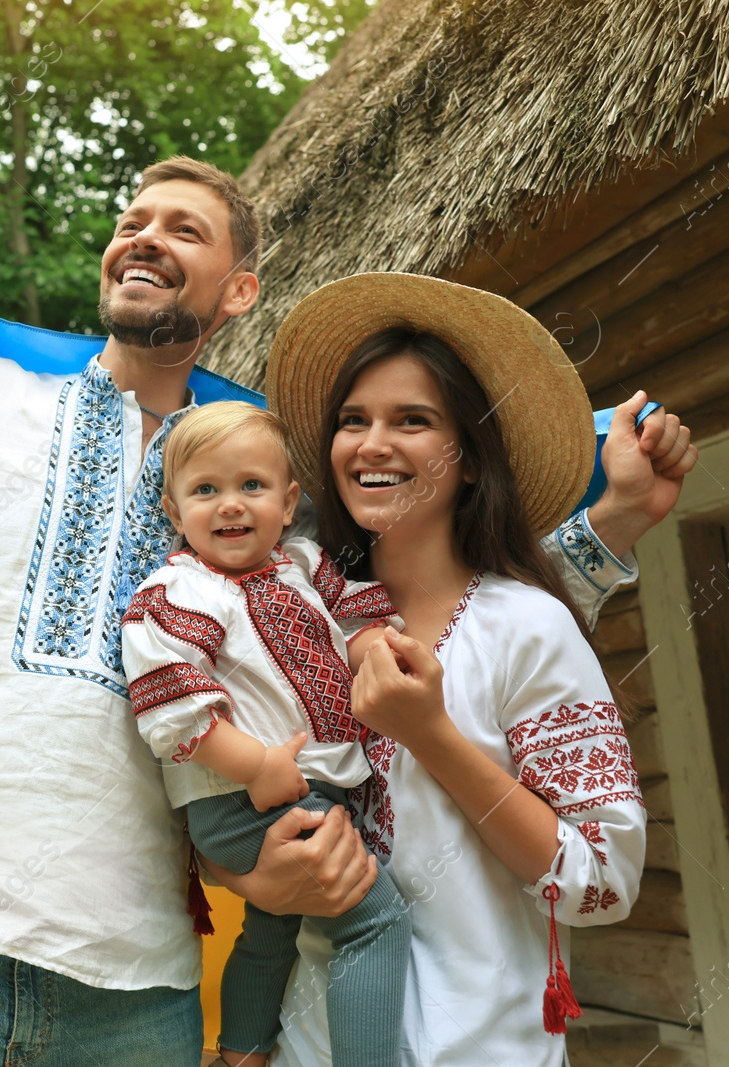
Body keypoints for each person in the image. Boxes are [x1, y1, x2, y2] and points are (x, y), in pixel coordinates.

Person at [0, 101, 697, 1065]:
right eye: (130, 221)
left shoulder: (275, 482)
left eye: (184, 227)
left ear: (237, 286)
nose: (143, 237)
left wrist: (605, 529)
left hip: (139, 993)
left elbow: (431, 624)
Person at [263, 273, 666, 1066]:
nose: (373, 443)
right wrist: (263, 875)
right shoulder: (295, 619)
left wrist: (432, 735)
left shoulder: (528, 627)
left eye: (412, 420)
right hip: (309, 1045)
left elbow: (601, 883)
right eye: (354, 420)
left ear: (472, 461)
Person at [121, 401, 410, 1067]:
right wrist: (254, 766)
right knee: (374, 920)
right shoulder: (180, 593)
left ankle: (242, 1051)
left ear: (287, 502)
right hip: (241, 790)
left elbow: (357, 613)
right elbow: (173, 704)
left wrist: (374, 651)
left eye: (251, 486)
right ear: (173, 511)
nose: (231, 505)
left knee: (274, 925)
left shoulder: (302, 564)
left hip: (293, 786)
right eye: (205, 490)